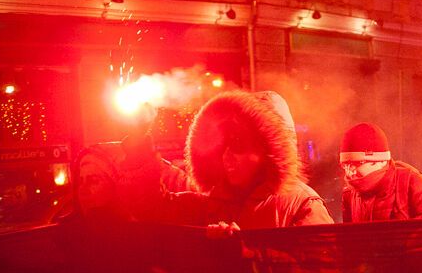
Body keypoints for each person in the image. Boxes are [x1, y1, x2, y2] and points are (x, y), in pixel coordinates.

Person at [122, 90, 333, 229]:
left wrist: (247, 255)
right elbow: (152, 209)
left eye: (239, 145)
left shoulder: (302, 205)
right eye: (223, 146)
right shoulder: (212, 203)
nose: (226, 157)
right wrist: (138, 144)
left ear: (270, 151)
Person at [339, 122, 422, 222]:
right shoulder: (349, 195)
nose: (349, 173)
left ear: (380, 161)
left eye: (357, 164)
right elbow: (349, 240)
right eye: (345, 165)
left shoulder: (411, 184)